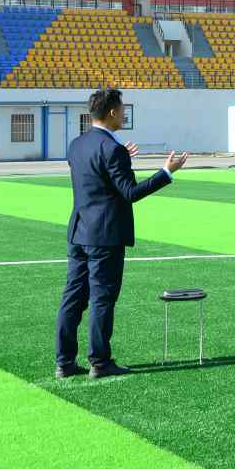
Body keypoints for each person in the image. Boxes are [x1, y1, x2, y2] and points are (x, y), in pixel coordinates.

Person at [55, 88, 187, 379]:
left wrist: (120, 156)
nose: (125, 114)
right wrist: (166, 172)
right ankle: (100, 362)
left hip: (78, 231)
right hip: (104, 236)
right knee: (102, 299)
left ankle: (64, 363)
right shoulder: (112, 150)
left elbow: (95, 176)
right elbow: (130, 192)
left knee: (73, 297)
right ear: (113, 112)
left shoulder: (77, 144)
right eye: (123, 109)